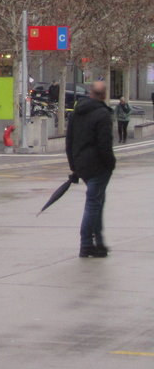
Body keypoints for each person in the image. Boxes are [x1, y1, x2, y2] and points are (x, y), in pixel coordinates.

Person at [65, 81, 116, 258]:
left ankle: (99, 243)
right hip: (98, 166)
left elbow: (69, 140)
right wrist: (111, 164)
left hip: (82, 164)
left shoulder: (77, 112)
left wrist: (74, 165)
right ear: (103, 95)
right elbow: (104, 144)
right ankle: (86, 244)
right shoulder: (102, 114)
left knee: (97, 202)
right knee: (94, 204)